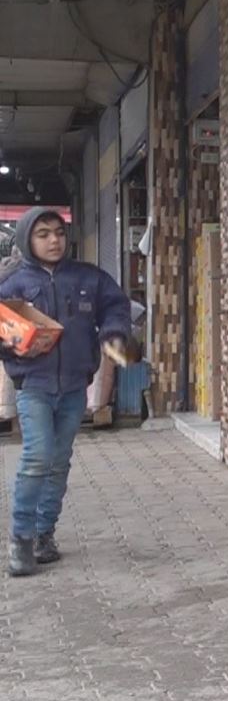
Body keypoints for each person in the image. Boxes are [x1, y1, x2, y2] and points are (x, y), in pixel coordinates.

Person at [1, 208, 132, 577]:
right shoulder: (12, 285)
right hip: (34, 386)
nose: (53, 240)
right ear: (28, 239)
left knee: (58, 462)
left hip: (75, 387)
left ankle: (45, 535)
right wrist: (15, 346)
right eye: (43, 234)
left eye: (58, 232)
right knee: (37, 457)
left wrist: (113, 334)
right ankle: (21, 539)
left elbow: (116, 307)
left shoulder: (88, 277)